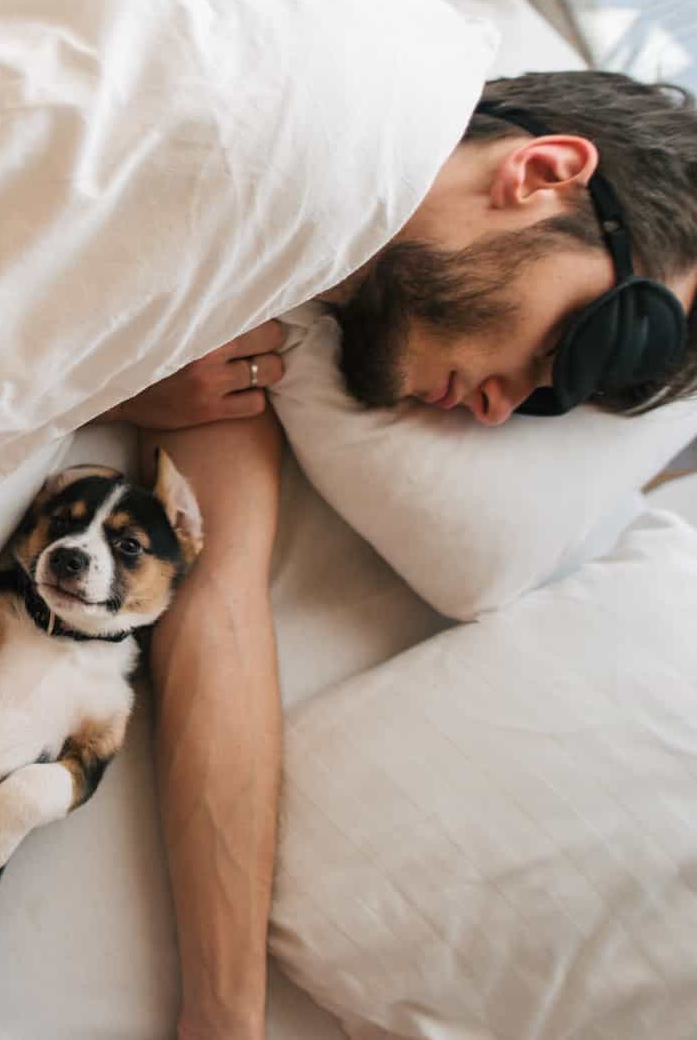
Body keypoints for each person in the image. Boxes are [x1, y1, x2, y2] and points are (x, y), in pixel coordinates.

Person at [101, 70, 697, 1040]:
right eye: (569, 350)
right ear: (540, 172)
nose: (509, 406)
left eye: (556, 403)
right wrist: (109, 369)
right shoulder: (298, 64)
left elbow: (220, 606)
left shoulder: (257, 331)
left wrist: (224, 1017)